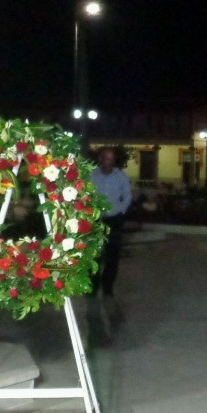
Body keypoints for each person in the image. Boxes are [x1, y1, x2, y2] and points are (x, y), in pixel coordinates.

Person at [89, 146, 132, 342]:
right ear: (100, 158)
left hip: (114, 219)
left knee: (113, 255)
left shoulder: (120, 176)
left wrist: (121, 211)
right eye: (106, 158)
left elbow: (128, 195)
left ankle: (108, 288)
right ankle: (93, 287)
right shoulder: (91, 175)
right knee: (95, 255)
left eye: (112, 159)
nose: (109, 161)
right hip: (96, 220)